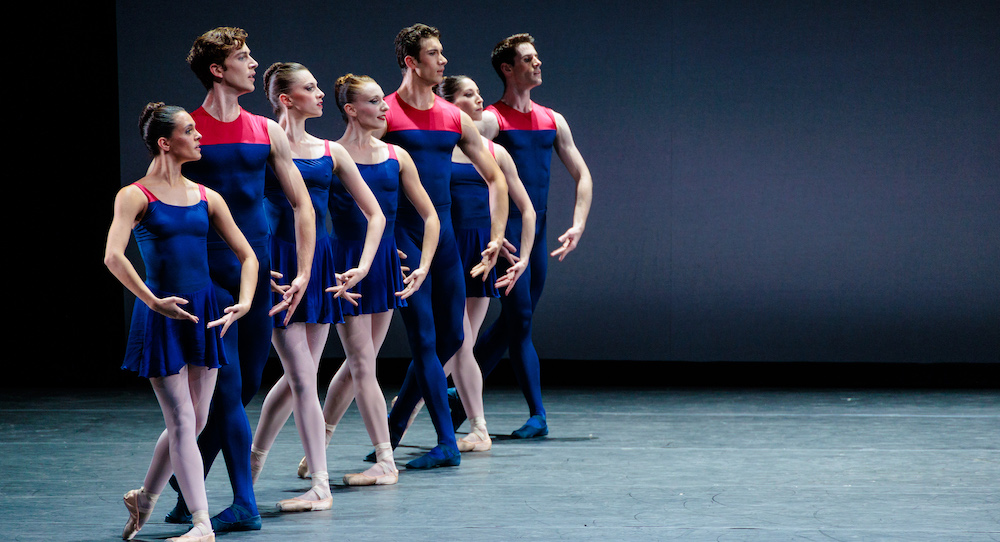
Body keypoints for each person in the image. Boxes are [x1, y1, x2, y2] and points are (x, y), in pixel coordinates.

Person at [165, 27, 316, 532]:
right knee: (227, 389)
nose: (254, 65)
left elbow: (301, 204)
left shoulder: (264, 129)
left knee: (246, 383)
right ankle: (243, 505)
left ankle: (185, 484)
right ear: (217, 69)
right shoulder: (192, 129)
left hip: (257, 269)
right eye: (244, 57)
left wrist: (302, 271)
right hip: (207, 274)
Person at [106, 102, 259, 542]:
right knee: (180, 419)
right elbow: (113, 256)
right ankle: (202, 522)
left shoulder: (206, 196)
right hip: (162, 313)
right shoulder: (135, 195)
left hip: (206, 310)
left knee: (196, 418)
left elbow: (247, 255)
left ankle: (145, 499)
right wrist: (153, 301)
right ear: (164, 142)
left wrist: (245, 301)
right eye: (190, 131)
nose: (199, 136)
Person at [248, 63, 386, 510]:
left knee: (298, 378)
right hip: (281, 263)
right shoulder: (263, 145)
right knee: (302, 375)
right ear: (286, 98)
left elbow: (376, 214)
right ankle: (315, 483)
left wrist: (363, 266)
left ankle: (259, 463)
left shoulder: (331, 151)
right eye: (310, 88)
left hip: (320, 263)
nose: (320, 94)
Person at [375, 23, 509, 469]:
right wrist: (377, 237)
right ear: (412, 61)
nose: (443, 59)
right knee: (426, 339)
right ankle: (445, 442)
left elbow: (495, 177)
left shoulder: (454, 117)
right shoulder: (386, 114)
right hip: (404, 237)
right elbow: (360, 175)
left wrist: (494, 235)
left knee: (453, 337)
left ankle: (394, 429)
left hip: (445, 236)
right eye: (434, 53)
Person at [298, 73, 441, 485]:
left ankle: (322, 443)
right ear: (350, 109)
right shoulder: (330, 155)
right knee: (362, 363)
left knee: (362, 361)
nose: (384, 108)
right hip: (346, 266)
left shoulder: (396, 156)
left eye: (384, 100)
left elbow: (430, 216)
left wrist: (423, 264)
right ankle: (384, 458)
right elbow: (306, 213)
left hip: (382, 265)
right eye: (375, 101)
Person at [469, 33, 594, 438]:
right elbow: (467, 172)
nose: (538, 63)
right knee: (519, 319)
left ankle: (457, 394)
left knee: (517, 322)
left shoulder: (552, 119)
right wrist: (490, 228)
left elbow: (582, 174)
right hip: (506, 238)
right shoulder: (492, 119)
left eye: (537, 57)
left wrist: (578, 222)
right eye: (528, 59)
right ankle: (536, 414)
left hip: (535, 236)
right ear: (508, 69)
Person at [434, 75, 536, 452]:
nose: (480, 100)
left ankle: (473, 427)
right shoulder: (439, 149)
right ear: (448, 103)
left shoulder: (494, 152)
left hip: (479, 250)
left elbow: (526, 209)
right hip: (446, 246)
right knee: (457, 342)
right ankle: (442, 413)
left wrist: (522, 257)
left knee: (462, 342)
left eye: (479, 93)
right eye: (469, 94)